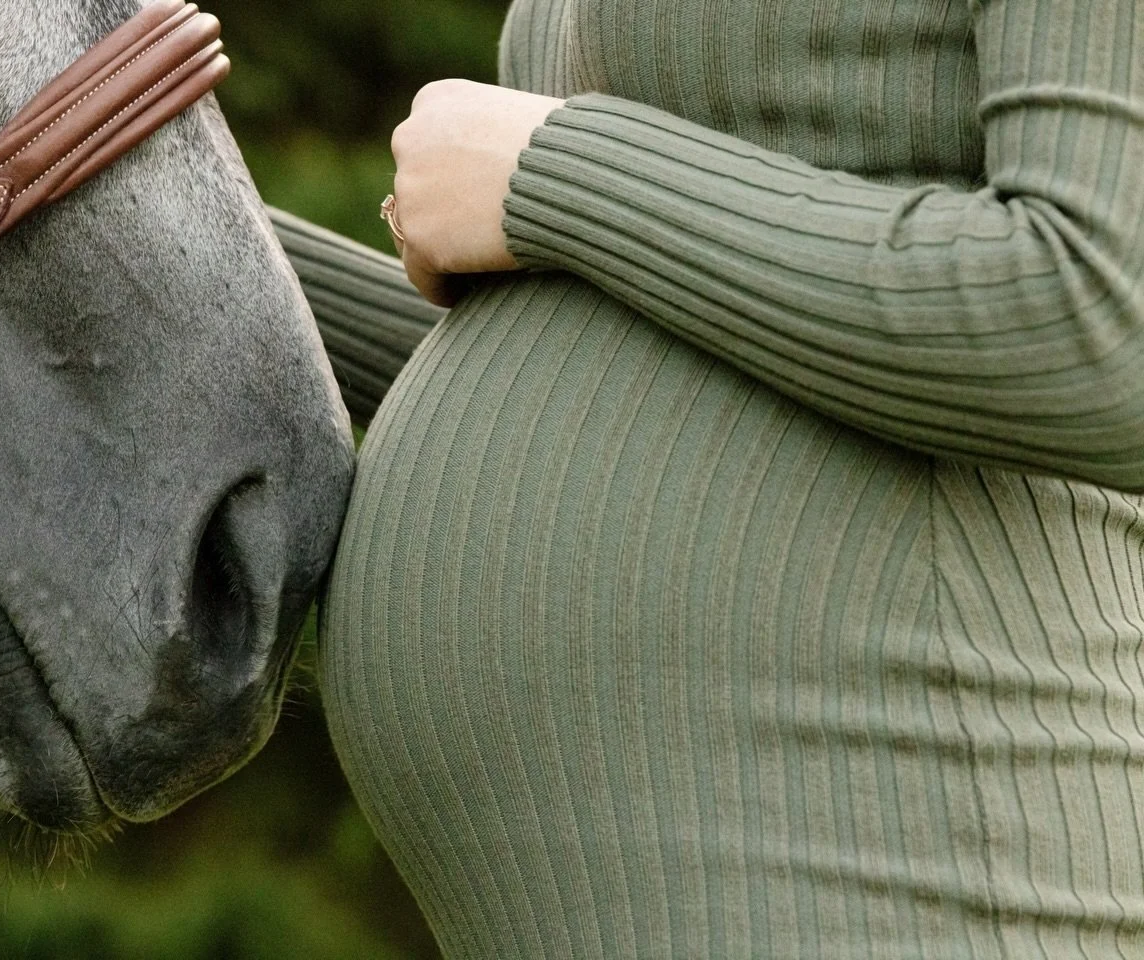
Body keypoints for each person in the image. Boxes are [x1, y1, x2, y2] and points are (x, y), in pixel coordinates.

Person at [272, 0, 1144, 955]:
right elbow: (631, 387)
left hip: (907, 840)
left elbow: (1103, 321)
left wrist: (561, 170)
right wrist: (141, 232)